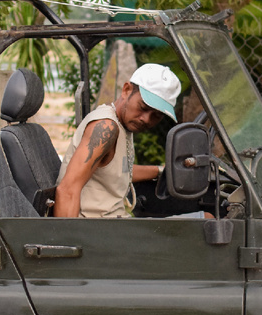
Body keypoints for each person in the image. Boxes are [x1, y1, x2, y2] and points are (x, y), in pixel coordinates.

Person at [53, 63, 180, 218]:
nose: (146, 119)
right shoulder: (106, 127)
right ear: (126, 90)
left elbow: (118, 171)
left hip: (116, 225)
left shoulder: (122, 125)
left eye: (156, 116)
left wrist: (161, 171)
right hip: (98, 232)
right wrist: (66, 242)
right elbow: (67, 190)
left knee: (205, 218)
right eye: (143, 107)